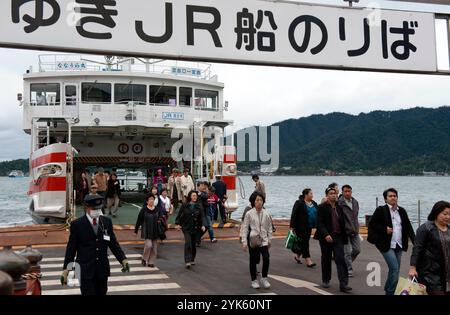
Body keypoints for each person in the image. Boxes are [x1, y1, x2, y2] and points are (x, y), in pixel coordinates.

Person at [60, 194, 130, 295]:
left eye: (99, 208)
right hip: (85, 270)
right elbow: (71, 248)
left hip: (102, 269)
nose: (97, 211)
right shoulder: (77, 224)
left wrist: (123, 259)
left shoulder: (106, 222)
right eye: (94, 208)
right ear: (87, 207)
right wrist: (66, 269)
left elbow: (113, 244)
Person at [367, 188, 415, 295]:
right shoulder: (381, 210)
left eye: (395, 196)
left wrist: (415, 242)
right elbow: (372, 224)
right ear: (385, 199)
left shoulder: (401, 210)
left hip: (399, 244)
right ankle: (390, 292)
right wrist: (384, 229)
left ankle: (388, 290)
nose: (393, 197)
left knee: (394, 270)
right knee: (395, 268)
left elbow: (408, 227)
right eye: (390, 196)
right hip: (386, 244)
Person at [314, 187, 352, 293]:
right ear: (327, 195)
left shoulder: (339, 207)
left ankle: (343, 284)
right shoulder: (321, 207)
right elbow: (319, 223)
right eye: (331, 193)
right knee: (326, 258)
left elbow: (343, 222)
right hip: (326, 237)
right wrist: (326, 234)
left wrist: (346, 235)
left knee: (340, 258)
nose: (334, 195)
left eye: (335, 193)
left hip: (338, 237)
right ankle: (326, 279)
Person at [409, 201, 450, 295]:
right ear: (436, 213)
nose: (448, 217)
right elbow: (417, 248)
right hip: (430, 272)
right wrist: (412, 267)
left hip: (447, 272)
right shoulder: (426, 228)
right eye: (445, 214)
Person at [240, 192, 273, 289]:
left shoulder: (266, 213)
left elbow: (269, 227)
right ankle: (254, 280)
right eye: (257, 200)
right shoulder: (249, 214)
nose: (259, 202)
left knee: (266, 258)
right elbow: (245, 228)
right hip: (253, 240)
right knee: (253, 260)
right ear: (253, 202)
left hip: (264, 239)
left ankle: (264, 278)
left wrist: (270, 239)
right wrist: (244, 242)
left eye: (261, 200)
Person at [175, 190, 207, 268]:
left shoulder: (199, 206)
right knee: (188, 243)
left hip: (195, 228)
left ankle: (192, 258)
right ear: (190, 197)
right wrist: (178, 224)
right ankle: (187, 261)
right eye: (193, 195)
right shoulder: (185, 205)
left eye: (195, 196)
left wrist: (203, 225)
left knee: (193, 244)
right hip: (186, 227)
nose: (194, 197)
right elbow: (179, 215)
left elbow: (202, 216)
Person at [289, 188, 318, 267]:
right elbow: (294, 214)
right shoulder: (299, 203)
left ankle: (297, 256)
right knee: (305, 242)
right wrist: (291, 226)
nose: (312, 195)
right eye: (311, 193)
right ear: (306, 195)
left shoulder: (314, 203)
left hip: (309, 226)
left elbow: (318, 212)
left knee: (303, 242)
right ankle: (308, 260)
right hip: (300, 226)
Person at [134, 194, 163, 268]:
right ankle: (144, 258)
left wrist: (160, 220)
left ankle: (151, 262)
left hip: (155, 230)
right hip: (147, 230)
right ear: (147, 201)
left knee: (154, 248)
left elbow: (160, 217)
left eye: (153, 199)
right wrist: (136, 231)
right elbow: (139, 220)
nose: (152, 200)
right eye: (150, 199)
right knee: (149, 245)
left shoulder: (157, 209)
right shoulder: (144, 209)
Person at [338, 185, 361, 277]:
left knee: (357, 250)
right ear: (342, 192)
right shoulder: (339, 203)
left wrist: (356, 227)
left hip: (355, 230)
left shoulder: (355, 202)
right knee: (347, 252)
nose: (347, 193)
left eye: (349, 191)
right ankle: (349, 269)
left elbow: (356, 216)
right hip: (344, 231)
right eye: (345, 191)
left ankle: (346, 263)